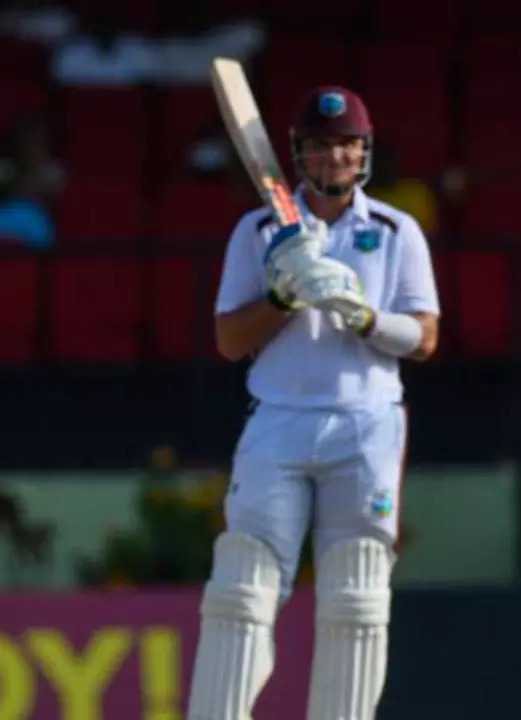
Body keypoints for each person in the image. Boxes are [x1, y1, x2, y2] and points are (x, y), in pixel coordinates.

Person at [187, 86, 440, 719]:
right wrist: (285, 297)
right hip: (278, 419)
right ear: (299, 154)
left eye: (346, 145)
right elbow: (228, 339)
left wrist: (363, 317)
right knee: (242, 588)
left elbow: (425, 338)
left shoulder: (394, 230)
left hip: (367, 424)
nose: (335, 157)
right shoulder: (260, 230)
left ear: (365, 153)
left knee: (356, 596)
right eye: (322, 146)